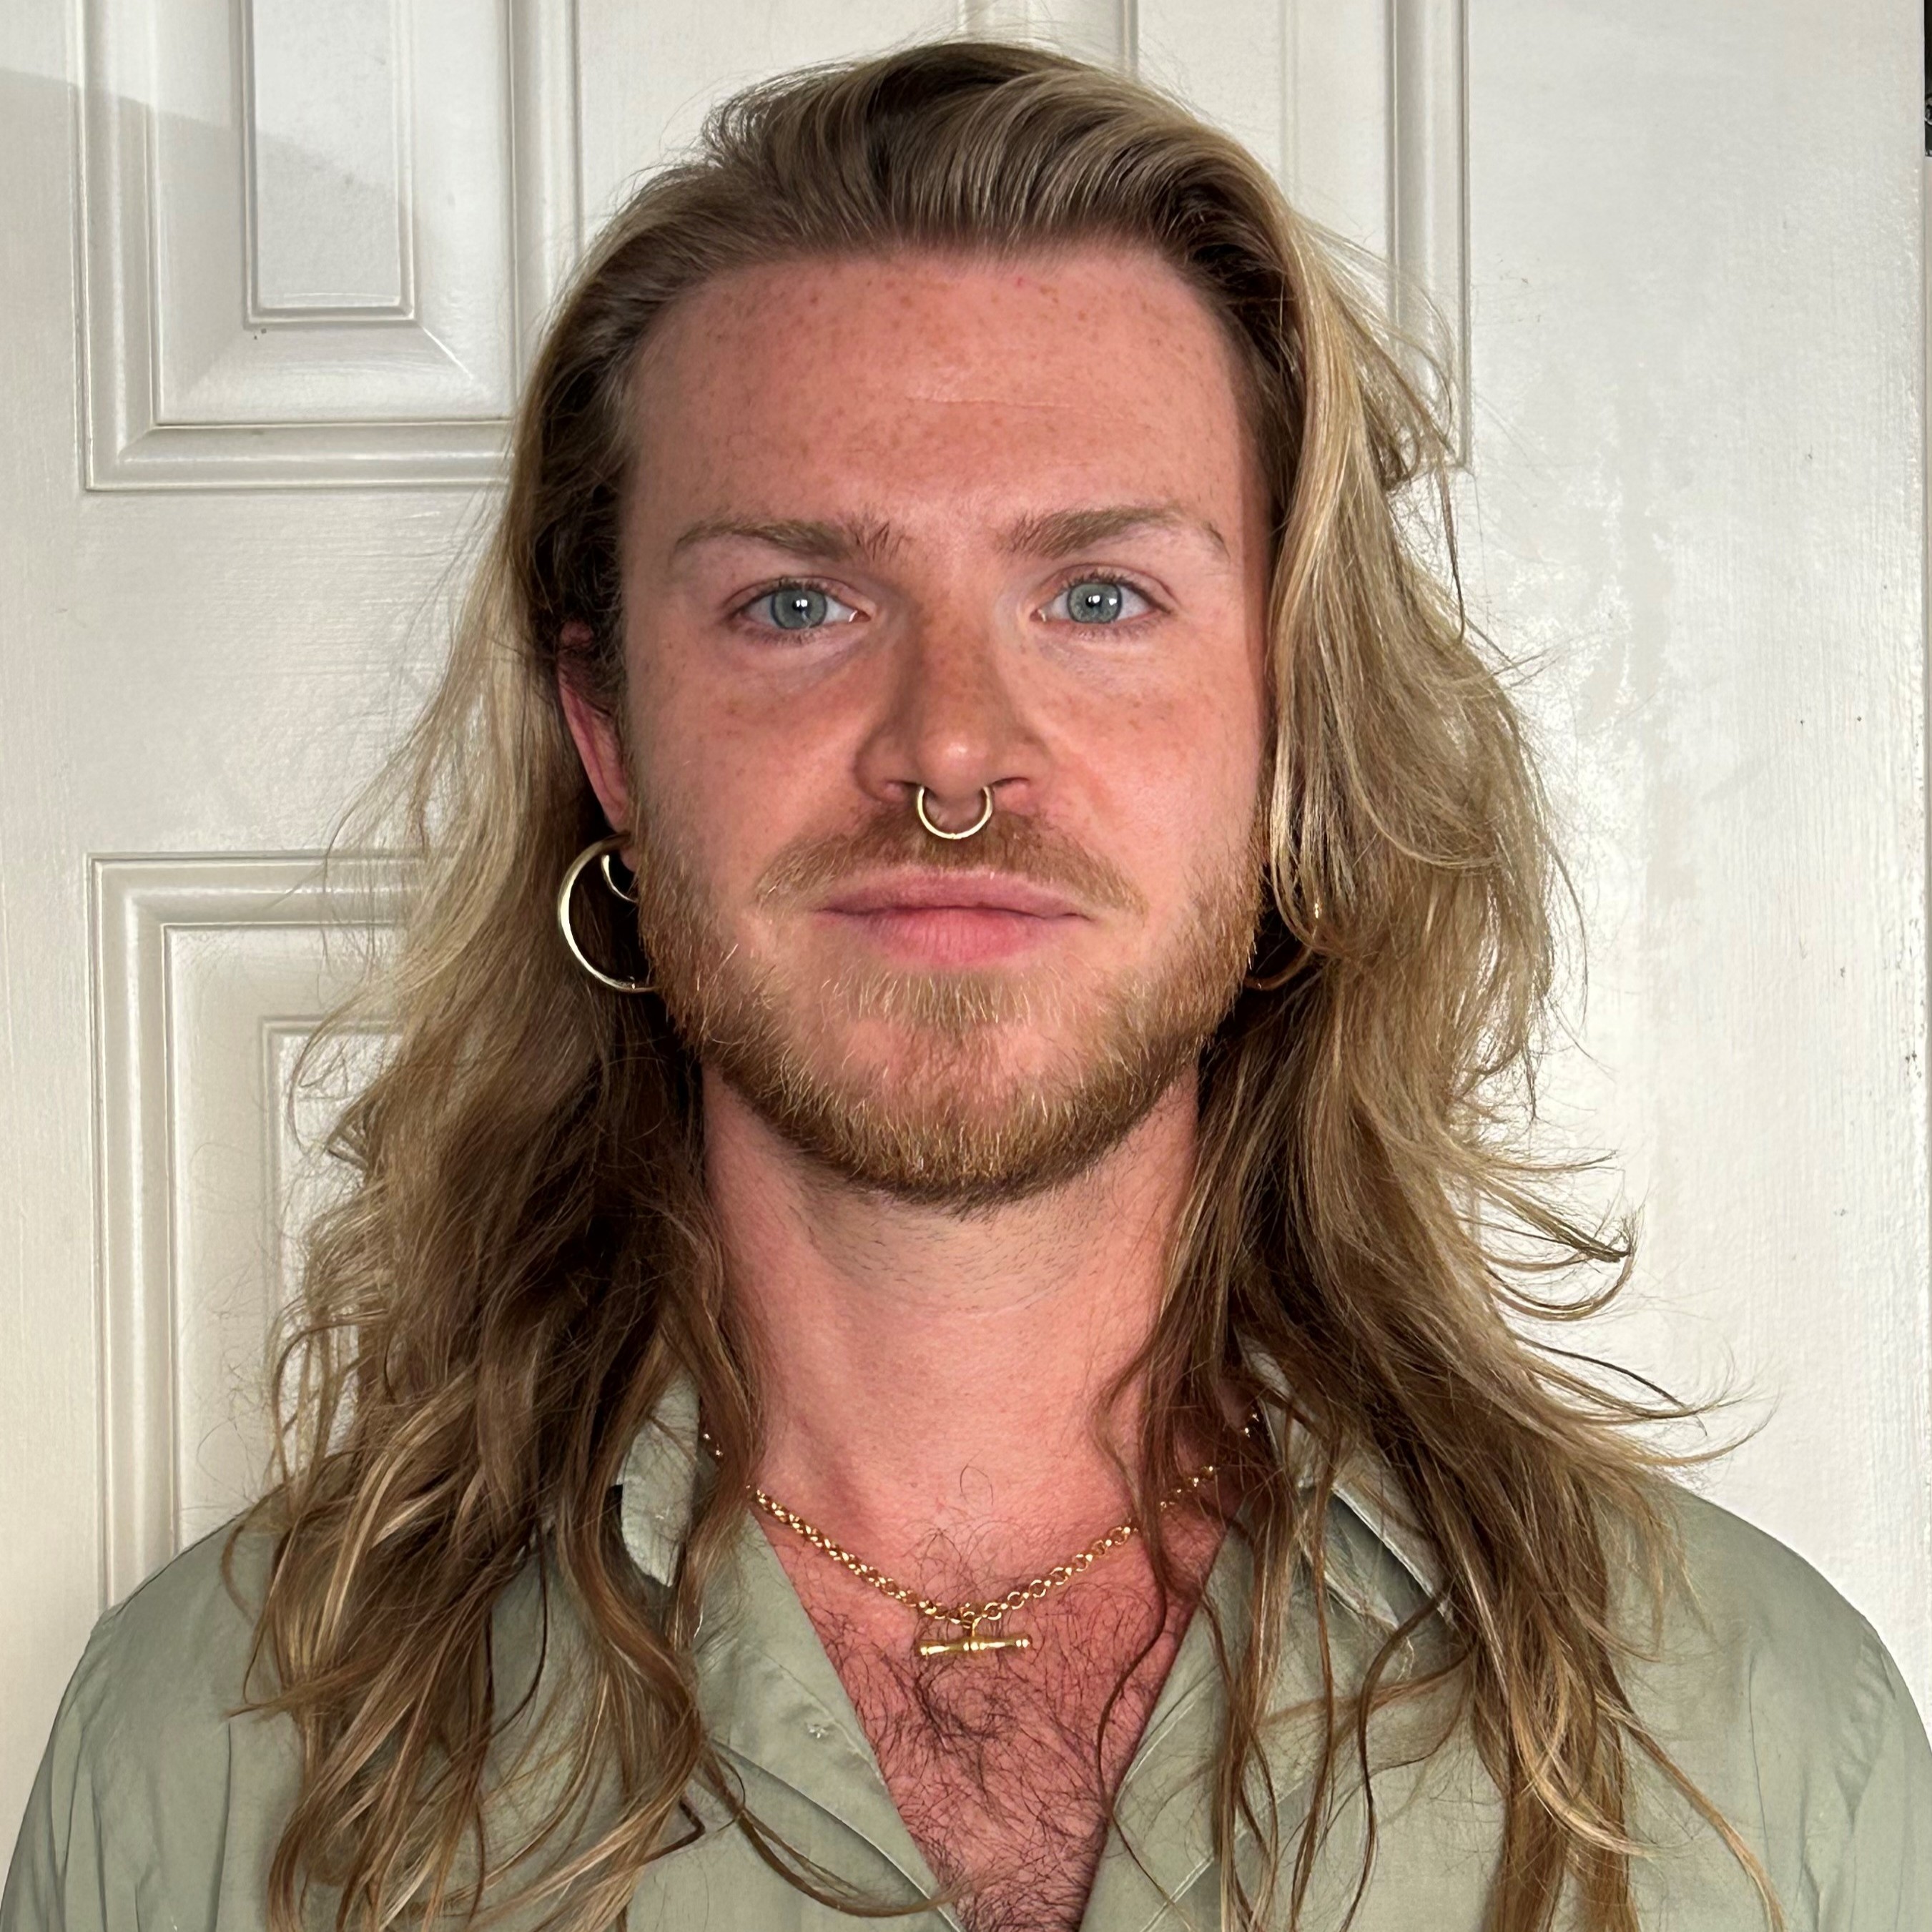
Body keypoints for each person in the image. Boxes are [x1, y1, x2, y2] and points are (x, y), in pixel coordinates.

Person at [4, 37, 1927, 1932]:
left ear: (1288, 727)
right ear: (607, 732)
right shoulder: (218, 1758)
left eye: (1098, 598)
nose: (948, 754)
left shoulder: (1747, 1752)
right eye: (797, 604)